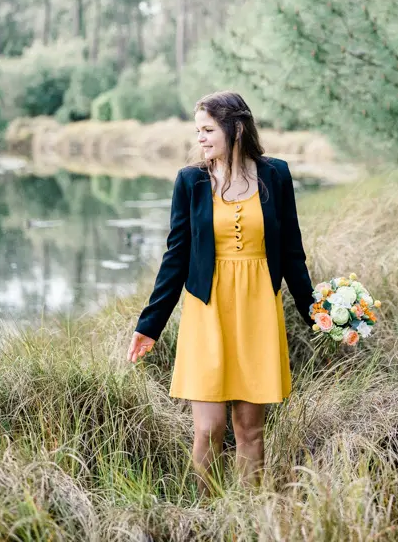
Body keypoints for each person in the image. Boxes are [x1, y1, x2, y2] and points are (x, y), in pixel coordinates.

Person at [127, 91, 314, 495]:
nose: (202, 139)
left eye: (208, 130)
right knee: (209, 429)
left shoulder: (276, 175)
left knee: (250, 430)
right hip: (207, 309)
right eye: (198, 131)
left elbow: (292, 252)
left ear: (237, 128)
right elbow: (175, 257)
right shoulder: (191, 181)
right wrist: (150, 325)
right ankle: (207, 516)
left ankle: (248, 517)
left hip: (258, 310)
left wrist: (316, 311)